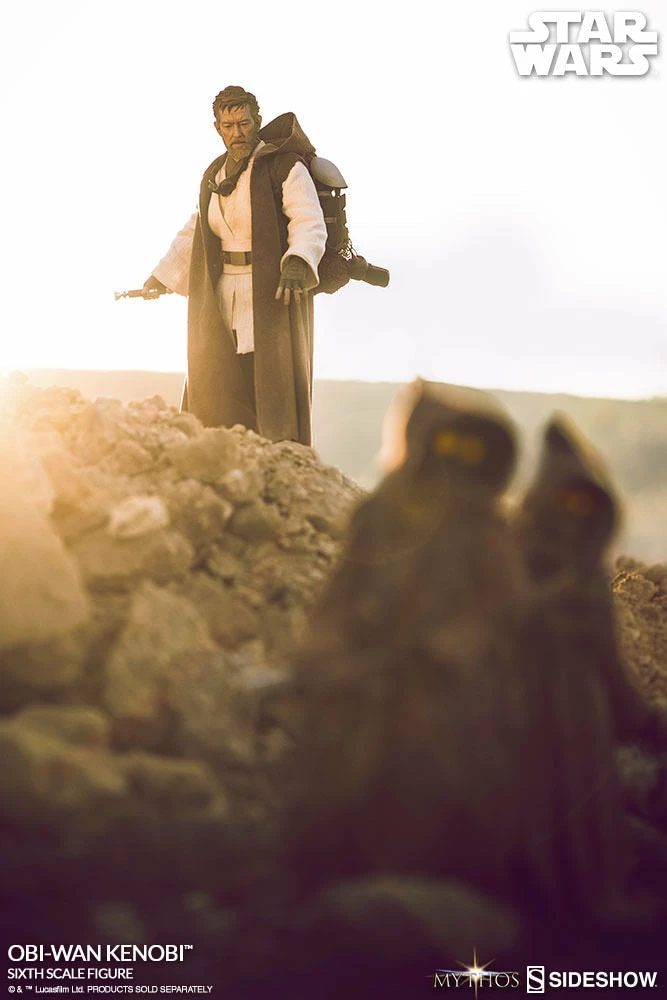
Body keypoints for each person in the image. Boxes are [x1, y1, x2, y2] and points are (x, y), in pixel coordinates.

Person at [143, 86, 328, 445]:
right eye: (228, 126)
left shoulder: (283, 166)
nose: (237, 133)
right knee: (218, 371)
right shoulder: (215, 174)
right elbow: (197, 228)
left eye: (244, 123)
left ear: (257, 121)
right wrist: (161, 276)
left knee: (268, 376)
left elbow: (308, 218)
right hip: (223, 290)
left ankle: (274, 453)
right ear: (218, 128)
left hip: (269, 291)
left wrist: (298, 261)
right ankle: (222, 449)